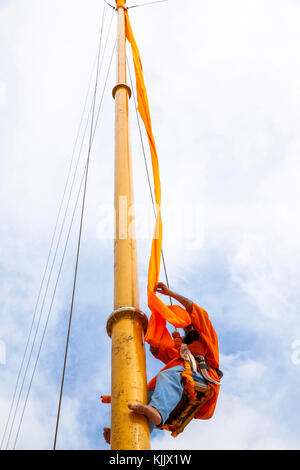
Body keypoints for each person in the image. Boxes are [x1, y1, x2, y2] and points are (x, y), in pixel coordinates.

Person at [103, 283, 221, 444]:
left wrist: (170, 293)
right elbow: (159, 348)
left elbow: (193, 307)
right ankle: (122, 433)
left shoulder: (207, 340)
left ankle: (157, 410)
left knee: (168, 375)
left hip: (203, 378)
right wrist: (150, 326)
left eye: (188, 325)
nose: (187, 328)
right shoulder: (181, 353)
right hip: (181, 380)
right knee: (140, 399)